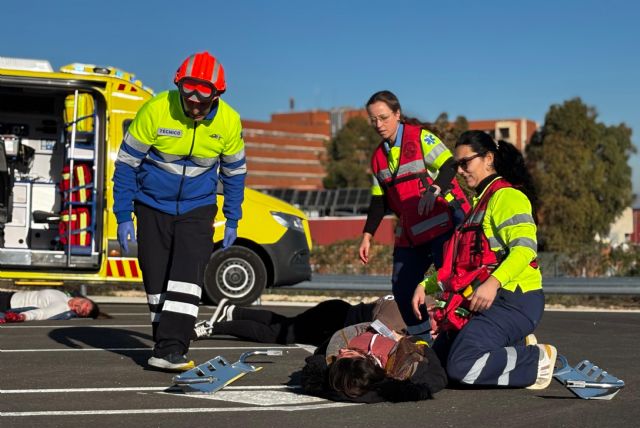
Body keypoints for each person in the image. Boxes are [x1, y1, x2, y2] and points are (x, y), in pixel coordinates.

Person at [112, 51, 247, 372]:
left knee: (186, 278)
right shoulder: (156, 110)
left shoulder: (229, 122)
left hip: (198, 209)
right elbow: (126, 165)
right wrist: (122, 214)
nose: (194, 101)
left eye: (203, 95)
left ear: (217, 94)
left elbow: (235, 174)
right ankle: (165, 341)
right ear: (178, 85)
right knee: (156, 279)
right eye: (187, 90)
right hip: (151, 206)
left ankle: (172, 347)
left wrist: (232, 217)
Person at [412, 130, 555, 390]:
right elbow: (461, 267)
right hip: (482, 302)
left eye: (465, 163)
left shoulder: (507, 197)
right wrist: (427, 285)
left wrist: (493, 282)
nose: (460, 171)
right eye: (457, 165)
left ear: (488, 158)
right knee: (438, 364)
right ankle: (516, 345)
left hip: (515, 300)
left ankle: (536, 359)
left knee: (462, 366)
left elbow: (525, 250)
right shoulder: (478, 204)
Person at [359, 91, 470, 338]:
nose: (379, 124)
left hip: (446, 223)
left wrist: (435, 189)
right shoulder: (378, 158)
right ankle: (422, 341)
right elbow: (379, 200)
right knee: (402, 286)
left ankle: (461, 334)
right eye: (373, 120)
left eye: (384, 117)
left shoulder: (421, 139)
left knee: (452, 283)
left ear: (397, 114)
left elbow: (451, 165)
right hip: (412, 231)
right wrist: (367, 235)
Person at [194, 295, 447, 403]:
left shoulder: (412, 303)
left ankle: (235, 311)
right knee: (279, 332)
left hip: (338, 313)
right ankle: (215, 327)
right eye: (437, 323)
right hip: (336, 320)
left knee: (286, 327)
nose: (436, 330)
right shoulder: (393, 323)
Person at [0, 289, 101, 322]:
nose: (77, 304)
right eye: (83, 303)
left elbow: (42, 314)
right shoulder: (65, 296)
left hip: (6, 304)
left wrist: (22, 316)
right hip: (9, 295)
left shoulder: (62, 307)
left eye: (80, 309)